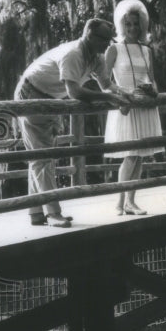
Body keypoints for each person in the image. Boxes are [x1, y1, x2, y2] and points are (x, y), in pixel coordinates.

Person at [15, 18, 130, 228]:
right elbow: (74, 92)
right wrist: (109, 98)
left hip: (50, 99)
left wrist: (124, 95)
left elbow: (106, 85)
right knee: (43, 157)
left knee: (40, 157)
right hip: (31, 92)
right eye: (104, 40)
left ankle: (36, 213)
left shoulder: (96, 58)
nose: (108, 44)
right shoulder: (74, 54)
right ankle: (53, 214)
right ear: (89, 36)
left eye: (110, 40)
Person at [104, 0, 164, 215]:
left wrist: (153, 91)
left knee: (139, 156)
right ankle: (120, 202)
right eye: (128, 24)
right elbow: (104, 81)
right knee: (130, 155)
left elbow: (152, 79)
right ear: (121, 25)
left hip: (144, 104)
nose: (132, 28)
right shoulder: (114, 49)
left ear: (142, 25)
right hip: (126, 106)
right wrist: (121, 95)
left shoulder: (147, 50)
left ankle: (130, 201)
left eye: (136, 24)